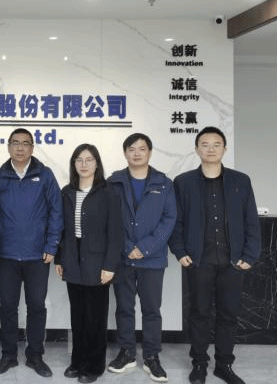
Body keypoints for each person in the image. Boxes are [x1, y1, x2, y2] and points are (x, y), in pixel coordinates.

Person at [170, 126, 261, 384]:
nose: (210, 149)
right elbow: (176, 221)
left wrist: (250, 255)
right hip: (199, 260)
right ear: (197, 149)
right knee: (199, 314)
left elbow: (251, 220)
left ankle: (224, 365)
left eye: (216, 144)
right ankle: (199, 363)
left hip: (233, 261)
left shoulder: (240, 181)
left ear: (224, 148)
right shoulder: (183, 182)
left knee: (228, 314)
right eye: (205, 144)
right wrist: (180, 251)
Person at [0, 128, 63, 378]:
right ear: (8, 147)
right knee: (8, 307)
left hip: (37, 256)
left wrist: (51, 246)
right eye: (15, 143)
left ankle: (35, 356)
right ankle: (8, 356)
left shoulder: (45, 175)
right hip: (7, 255)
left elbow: (56, 211)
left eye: (25, 143)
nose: (20, 148)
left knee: (36, 307)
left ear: (32, 147)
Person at [107, 133, 176, 383]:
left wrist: (145, 248)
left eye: (142, 149)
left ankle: (151, 356)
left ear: (150, 152)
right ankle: (126, 353)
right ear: (125, 153)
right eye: (131, 149)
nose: (136, 153)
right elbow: (109, 218)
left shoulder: (164, 183)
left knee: (151, 309)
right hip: (123, 258)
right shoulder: (113, 182)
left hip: (152, 259)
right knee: (124, 308)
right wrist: (127, 247)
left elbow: (169, 219)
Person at [55, 144, 123, 383]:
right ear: (73, 164)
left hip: (98, 262)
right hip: (72, 259)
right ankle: (77, 362)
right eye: (79, 160)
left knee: (95, 318)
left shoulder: (109, 193)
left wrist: (110, 265)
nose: (84, 164)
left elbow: (116, 233)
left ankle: (94, 366)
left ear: (97, 163)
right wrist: (59, 259)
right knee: (78, 316)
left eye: (89, 159)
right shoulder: (67, 192)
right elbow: (62, 230)